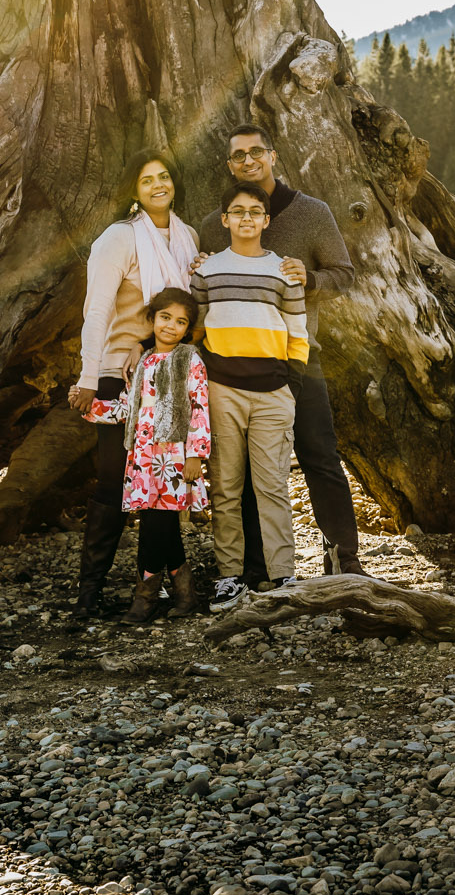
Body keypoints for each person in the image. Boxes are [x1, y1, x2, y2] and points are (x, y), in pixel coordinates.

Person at [197, 123, 366, 578]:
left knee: (320, 456)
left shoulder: (312, 213)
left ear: (272, 156)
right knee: (246, 471)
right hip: (234, 368)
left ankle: (343, 559)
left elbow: (344, 274)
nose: (248, 161)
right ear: (230, 165)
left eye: (256, 152)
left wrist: (308, 279)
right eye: (238, 156)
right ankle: (255, 567)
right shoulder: (217, 223)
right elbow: (203, 280)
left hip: (299, 357)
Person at [66, 148, 199, 621]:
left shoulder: (188, 238)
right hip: (116, 376)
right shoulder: (118, 239)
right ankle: (90, 593)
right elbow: (97, 311)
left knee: (160, 483)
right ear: (134, 190)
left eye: (164, 176)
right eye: (147, 180)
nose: (158, 185)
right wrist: (86, 377)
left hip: (167, 378)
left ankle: (165, 589)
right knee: (111, 484)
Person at [191, 182, 310, 612]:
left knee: (273, 485)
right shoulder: (206, 272)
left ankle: (283, 574)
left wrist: (289, 387)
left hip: (273, 393)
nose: (245, 218)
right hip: (223, 390)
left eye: (254, 212)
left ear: (266, 220)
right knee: (225, 485)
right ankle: (229, 577)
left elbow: (298, 334)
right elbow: (199, 328)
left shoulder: (285, 272)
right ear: (224, 221)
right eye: (236, 211)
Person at [84, 288, 211, 621]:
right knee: (159, 522)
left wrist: (197, 455)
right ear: (152, 319)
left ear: (188, 329)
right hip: (142, 457)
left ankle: (146, 599)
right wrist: (90, 407)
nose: (171, 326)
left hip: (173, 457)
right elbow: (129, 408)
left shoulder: (189, 359)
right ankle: (185, 596)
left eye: (180, 322)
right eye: (165, 317)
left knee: (156, 524)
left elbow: (199, 408)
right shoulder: (142, 361)